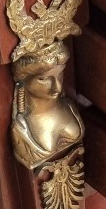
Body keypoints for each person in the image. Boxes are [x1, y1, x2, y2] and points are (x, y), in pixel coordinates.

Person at [10, 39, 84, 170]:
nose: (57, 87)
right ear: (24, 80)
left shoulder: (70, 107)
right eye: (44, 79)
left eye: (60, 74)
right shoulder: (21, 129)